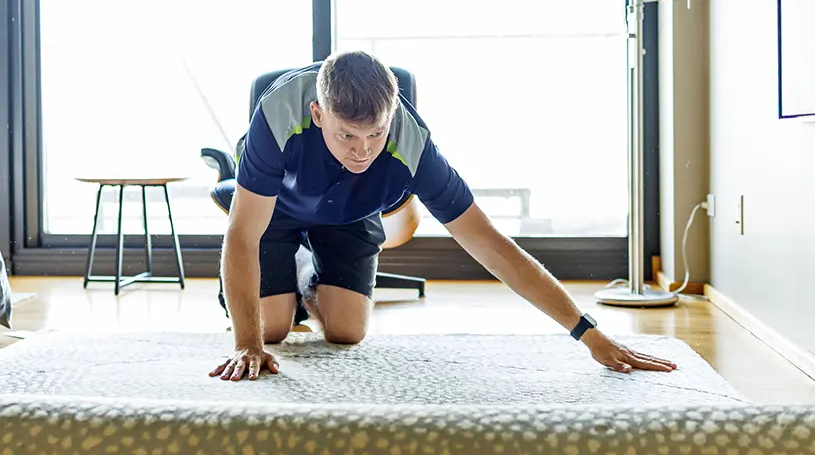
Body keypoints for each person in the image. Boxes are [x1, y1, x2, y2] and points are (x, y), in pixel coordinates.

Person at [210, 51, 676, 382]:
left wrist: (588, 334)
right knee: (270, 331)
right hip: (275, 208)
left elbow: (491, 246)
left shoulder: (413, 147)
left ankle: (306, 270)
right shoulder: (277, 115)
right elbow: (242, 233)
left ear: (391, 115)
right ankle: (283, 274)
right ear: (317, 113)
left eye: (375, 133)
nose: (363, 150)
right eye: (346, 135)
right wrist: (245, 343)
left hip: (350, 212)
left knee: (347, 333)